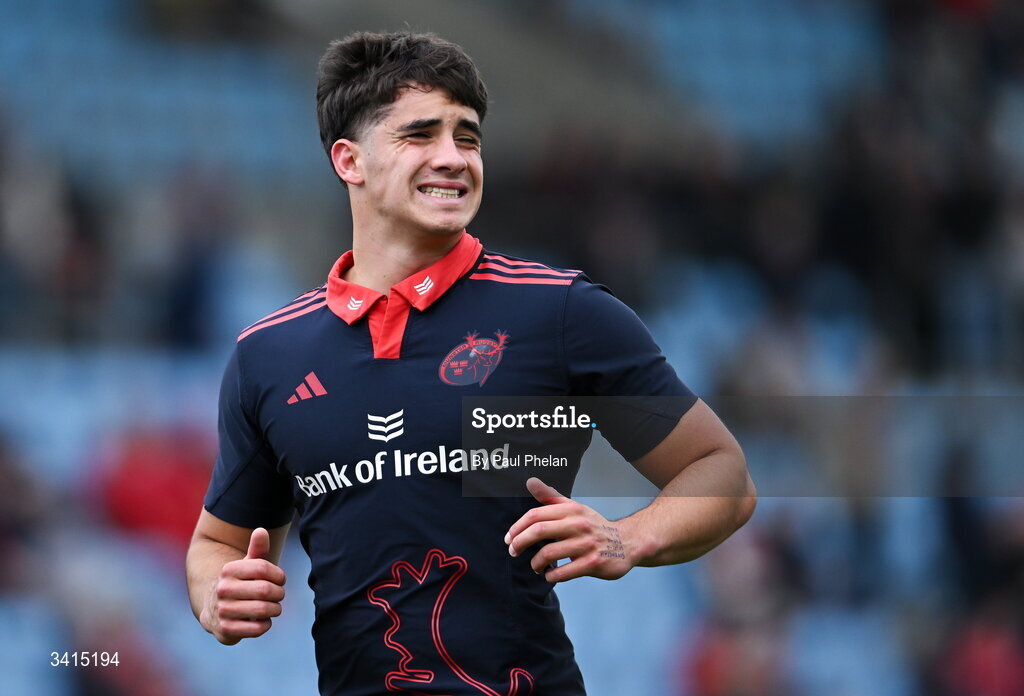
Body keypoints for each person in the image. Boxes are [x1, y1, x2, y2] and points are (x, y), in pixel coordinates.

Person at [185, 31, 756, 696]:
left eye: (468, 137)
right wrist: (216, 593)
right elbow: (216, 543)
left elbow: (722, 474)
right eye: (420, 135)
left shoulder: (559, 312)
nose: (454, 158)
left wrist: (628, 538)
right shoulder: (268, 355)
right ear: (350, 160)